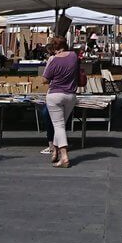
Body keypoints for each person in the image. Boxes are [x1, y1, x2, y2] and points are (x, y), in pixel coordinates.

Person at [41, 37, 83, 168]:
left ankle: (64, 157)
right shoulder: (73, 56)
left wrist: (50, 63)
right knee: (60, 126)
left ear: (54, 48)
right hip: (70, 95)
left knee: (58, 126)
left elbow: (44, 80)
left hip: (55, 95)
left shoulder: (53, 59)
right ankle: (55, 151)